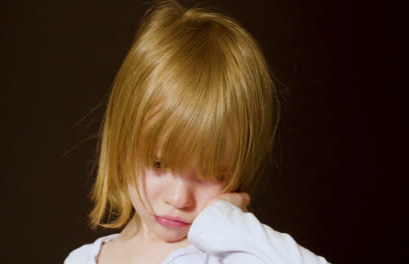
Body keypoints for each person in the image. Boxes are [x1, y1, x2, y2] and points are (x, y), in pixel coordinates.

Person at [65, 0, 330, 263]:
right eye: (158, 164)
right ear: (122, 142)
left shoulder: (224, 254)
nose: (179, 199)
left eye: (210, 174)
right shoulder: (81, 260)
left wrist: (229, 227)